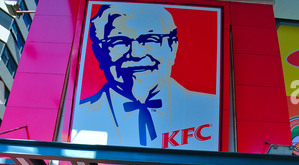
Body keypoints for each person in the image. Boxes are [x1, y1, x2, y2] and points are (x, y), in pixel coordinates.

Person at [71, 3, 219, 150]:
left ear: (172, 48)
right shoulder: (81, 115)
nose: (136, 53)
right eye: (120, 42)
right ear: (99, 52)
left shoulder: (209, 110)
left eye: (150, 40)